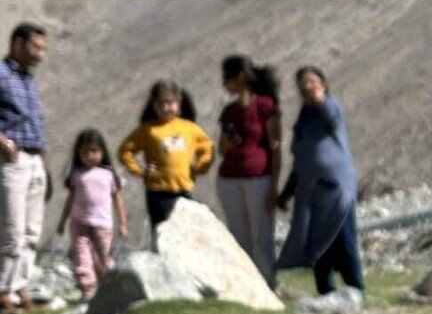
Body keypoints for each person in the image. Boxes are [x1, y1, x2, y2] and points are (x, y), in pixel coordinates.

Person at [276, 65, 363, 296]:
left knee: (343, 236)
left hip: (336, 186)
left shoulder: (331, 106)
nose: (307, 87)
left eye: (312, 82)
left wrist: (320, 100)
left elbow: (333, 120)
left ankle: (356, 288)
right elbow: (301, 159)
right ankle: (326, 292)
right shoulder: (304, 119)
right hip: (311, 189)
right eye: (303, 84)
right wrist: (286, 193)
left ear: (323, 84)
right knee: (317, 242)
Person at [118, 81, 215, 237]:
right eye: (160, 104)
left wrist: (200, 166)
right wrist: (140, 170)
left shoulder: (189, 128)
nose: (165, 108)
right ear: (153, 106)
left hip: (184, 189)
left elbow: (207, 148)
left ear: (178, 103)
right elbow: (125, 151)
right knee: (163, 234)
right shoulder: (148, 130)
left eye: (170, 103)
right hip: (158, 192)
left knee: (186, 235)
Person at [217, 54, 281, 283]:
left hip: (259, 178)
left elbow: (275, 147)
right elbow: (222, 150)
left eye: (227, 78)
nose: (224, 83)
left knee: (262, 236)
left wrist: (274, 185)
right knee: (239, 236)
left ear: (241, 77)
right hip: (229, 178)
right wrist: (228, 141)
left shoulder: (265, 106)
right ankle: (246, 285)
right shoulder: (229, 112)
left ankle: (267, 284)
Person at [0, 22, 51, 314]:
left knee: (31, 230)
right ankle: (3, 292)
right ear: (17, 43)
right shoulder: (2, 74)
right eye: (36, 47)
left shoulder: (28, 79)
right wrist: (3, 142)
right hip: (12, 160)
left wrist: (43, 160)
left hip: (34, 159)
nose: (41, 55)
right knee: (12, 229)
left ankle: (20, 285)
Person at [56, 129, 128, 301]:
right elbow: (70, 199)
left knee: (103, 258)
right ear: (78, 153)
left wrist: (123, 224)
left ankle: (110, 290)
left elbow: (118, 200)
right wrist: (62, 221)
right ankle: (88, 292)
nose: (89, 156)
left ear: (102, 152)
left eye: (94, 151)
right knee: (82, 259)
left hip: (102, 224)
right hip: (79, 223)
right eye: (84, 152)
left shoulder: (108, 175)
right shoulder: (77, 175)